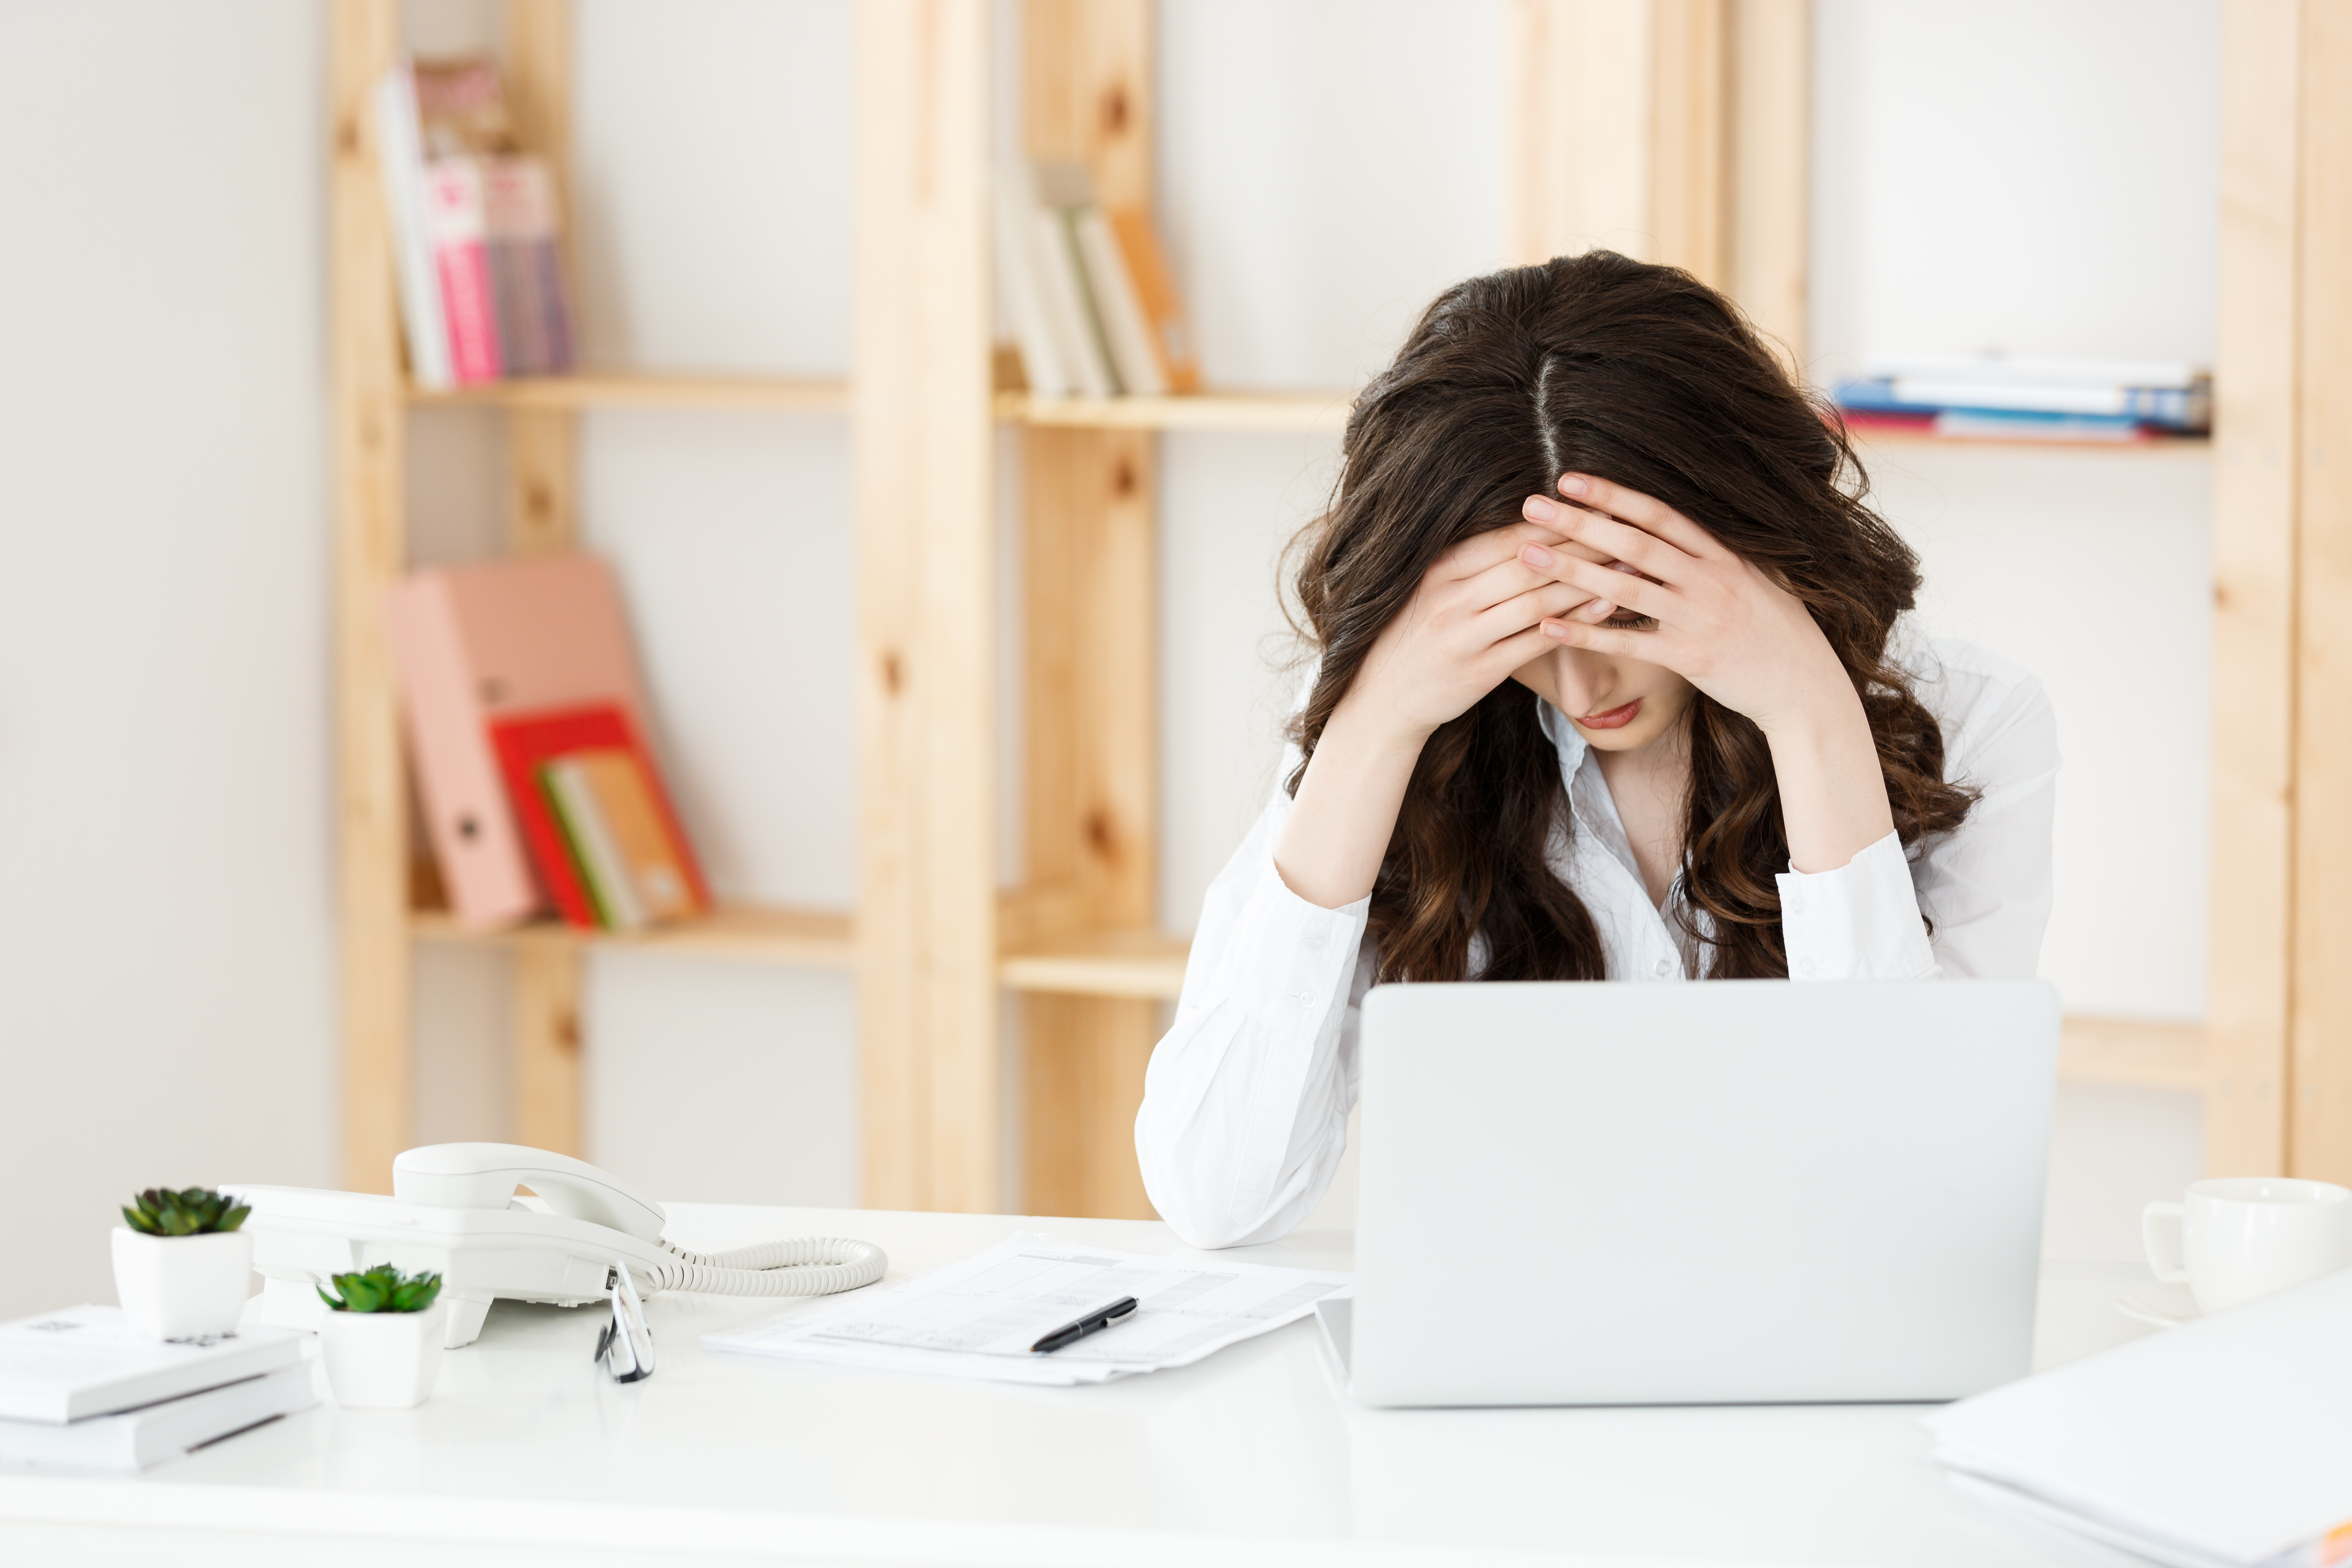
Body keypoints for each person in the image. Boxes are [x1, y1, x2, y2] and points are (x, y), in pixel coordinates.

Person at [1134, 251, 2058, 1249]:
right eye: (1522, 636)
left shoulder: (1976, 724)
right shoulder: (1405, 726)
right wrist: (1368, 732)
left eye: (1625, 617)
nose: (1582, 690)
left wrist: (1809, 713)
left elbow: (1915, 1212)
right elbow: (1215, 1197)